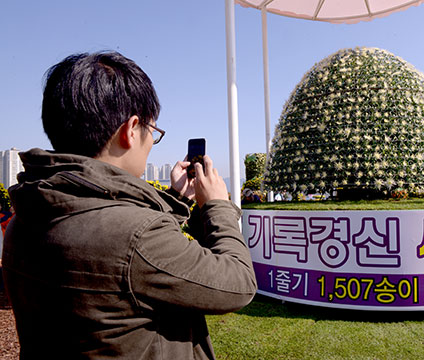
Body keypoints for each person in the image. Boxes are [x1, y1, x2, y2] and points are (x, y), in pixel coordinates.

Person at [1, 52, 257, 359]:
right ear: (131, 129)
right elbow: (238, 283)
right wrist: (217, 204)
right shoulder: (136, 238)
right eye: (153, 132)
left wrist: (176, 200)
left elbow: (131, 260)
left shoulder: (28, 214)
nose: (151, 142)